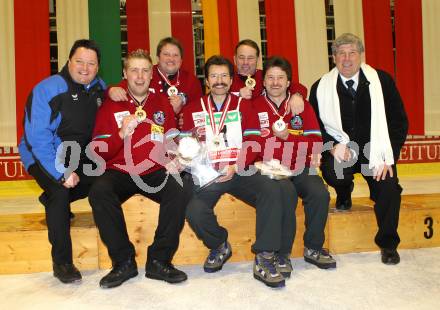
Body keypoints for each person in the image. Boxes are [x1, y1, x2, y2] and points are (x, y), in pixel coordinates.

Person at [180, 55, 297, 288]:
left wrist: (236, 165)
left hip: (240, 168)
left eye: (224, 75)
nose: (219, 80)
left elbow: (254, 140)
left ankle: (265, 256)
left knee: (273, 189)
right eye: (214, 75)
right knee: (193, 209)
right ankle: (219, 244)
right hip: (209, 173)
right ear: (207, 80)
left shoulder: (245, 105)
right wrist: (187, 157)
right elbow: (187, 143)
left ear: (232, 80)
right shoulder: (193, 108)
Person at [88, 49, 192, 288]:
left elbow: (170, 138)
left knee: (180, 184)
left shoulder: (161, 104)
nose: (139, 76)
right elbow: (99, 151)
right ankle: (123, 261)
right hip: (120, 171)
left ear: (151, 75)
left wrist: (174, 156)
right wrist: (121, 133)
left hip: (154, 170)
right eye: (134, 70)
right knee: (99, 191)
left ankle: (159, 260)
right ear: (125, 73)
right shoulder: (111, 104)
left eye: (145, 70)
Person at [309, 33, 408, 265]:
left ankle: (388, 244)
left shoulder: (381, 81)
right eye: (341, 53)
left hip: (376, 153)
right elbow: (313, 127)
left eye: (352, 52)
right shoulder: (320, 87)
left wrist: (388, 157)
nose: (347, 58)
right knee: (334, 174)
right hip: (342, 151)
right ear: (334, 57)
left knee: (389, 188)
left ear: (361, 55)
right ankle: (344, 193)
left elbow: (399, 122)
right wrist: (332, 146)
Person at [18, 39, 106, 284]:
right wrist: (62, 172)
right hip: (41, 153)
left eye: (91, 63)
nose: (85, 68)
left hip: (79, 154)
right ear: (68, 61)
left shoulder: (99, 88)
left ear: (98, 67)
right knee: (59, 191)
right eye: (79, 61)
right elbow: (38, 139)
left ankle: (51, 197)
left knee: (106, 180)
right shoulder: (47, 89)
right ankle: (62, 262)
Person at [253, 56, 336, 271]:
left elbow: (316, 143)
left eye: (281, 78)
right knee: (284, 193)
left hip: (300, 166)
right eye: (270, 78)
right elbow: (252, 144)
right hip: (270, 169)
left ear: (289, 82)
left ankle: (313, 247)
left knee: (320, 194)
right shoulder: (254, 106)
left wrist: (287, 137)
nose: (275, 82)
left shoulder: (301, 106)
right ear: (263, 82)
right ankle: (282, 253)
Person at [108, 37, 203, 115]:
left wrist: (182, 113)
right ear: (158, 58)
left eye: (175, 55)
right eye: (166, 54)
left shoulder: (191, 81)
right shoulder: (145, 72)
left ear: (181, 60)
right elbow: (120, 88)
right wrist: (110, 90)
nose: (171, 59)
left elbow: (199, 111)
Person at [232, 39, 306, 115]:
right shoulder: (226, 80)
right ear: (235, 59)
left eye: (250, 58)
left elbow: (298, 87)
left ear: (258, 59)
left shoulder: (267, 76)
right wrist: (237, 97)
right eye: (241, 57)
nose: (245, 62)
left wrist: (297, 95)